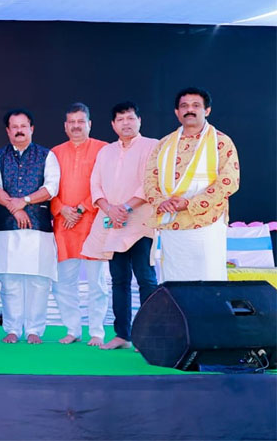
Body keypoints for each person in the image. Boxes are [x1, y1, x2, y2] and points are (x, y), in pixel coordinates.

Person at [82, 102, 159, 350]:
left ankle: (150, 335)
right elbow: (95, 185)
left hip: (140, 222)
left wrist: (124, 207)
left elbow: (151, 184)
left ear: (139, 121)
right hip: (113, 223)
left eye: (130, 118)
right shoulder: (106, 151)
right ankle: (122, 335)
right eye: (121, 119)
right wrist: (110, 209)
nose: (126, 123)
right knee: (119, 280)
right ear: (113, 125)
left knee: (146, 279)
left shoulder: (152, 146)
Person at [144, 87, 239, 282]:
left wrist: (190, 203)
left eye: (196, 105)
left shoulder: (221, 142)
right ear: (176, 112)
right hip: (172, 223)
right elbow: (149, 180)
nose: (190, 110)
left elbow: (229, 181)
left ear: (207, 110)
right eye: (184, 106)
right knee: (175, 281)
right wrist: (162, 202)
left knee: (209, 279)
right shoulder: (163, 145)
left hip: (206, 223)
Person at [0, 109, 60, 344]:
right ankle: (12, 329)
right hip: (6, 227)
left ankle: (34, 330)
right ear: (8, 131)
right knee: (10, 281)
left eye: (23, 126)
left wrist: (25, 201)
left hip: (38, 227)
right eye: (14, 127)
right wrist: (15, 209)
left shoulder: (47, 156)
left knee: (38, 281)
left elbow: (51, 188)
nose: (19, 131)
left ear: (31, 129)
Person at [49, 103, 110, 346]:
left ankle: (97, 331)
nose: (76, 126)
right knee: (63, 283)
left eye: (80, 121)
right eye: (72, 122)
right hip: (64, 225)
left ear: (89, 124)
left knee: (97, 283)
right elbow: (48, 187)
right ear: (65, 126)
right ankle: (72, 329)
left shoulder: (103, 149)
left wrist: (82, 208)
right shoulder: (54, 153)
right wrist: (61, 209)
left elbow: (106, 184)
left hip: (94, 223)